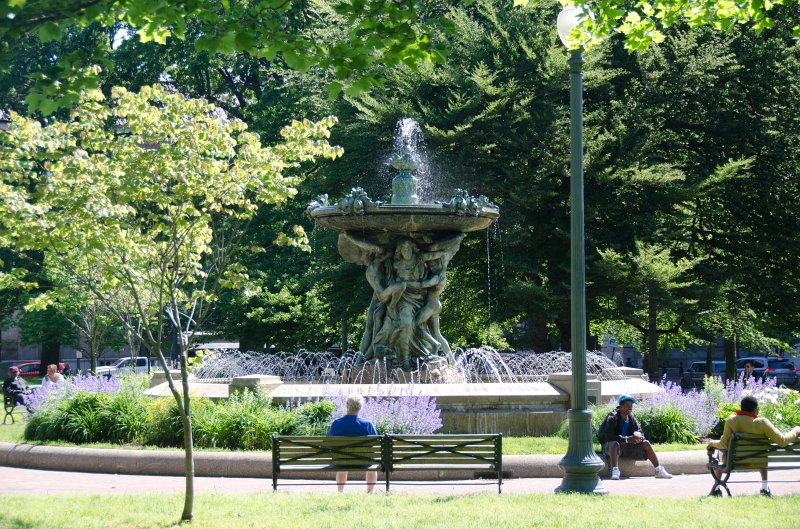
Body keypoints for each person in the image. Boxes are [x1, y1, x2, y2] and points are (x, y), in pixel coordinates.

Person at [707, 396, 800, 496]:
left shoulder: (732, 420)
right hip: (759, 461)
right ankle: (765, 488)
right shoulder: (762, 423)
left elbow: (723, 444)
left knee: (719, 454)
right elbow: (783, 441)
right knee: (761, 452)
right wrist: (797, 429)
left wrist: (711, 443)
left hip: (734, 461)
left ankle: (717, 488)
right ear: (755, 409)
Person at [598, 395, 673, 480]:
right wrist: (626, 439)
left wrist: (639, 438)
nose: (630, 408)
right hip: (610, 446)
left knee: (646, 443)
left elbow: (640, 432)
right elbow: (609, 437)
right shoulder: (612, 418)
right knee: (615, 443)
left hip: (626, 447)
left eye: (631, 406)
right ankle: (615, 471)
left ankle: (658, 470)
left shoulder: (631, 418)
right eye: (627, 405)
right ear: (621, 406)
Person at [327, 394, 378, 492]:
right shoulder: (367, 424)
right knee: (372, 465)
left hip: (341, 461)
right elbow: (376, 442)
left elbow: (329, 442)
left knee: (342, 460)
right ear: (360, 407)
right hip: (363, 461)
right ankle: (370, 491)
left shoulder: (336, 423)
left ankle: (340, 492)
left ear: (347, 406)